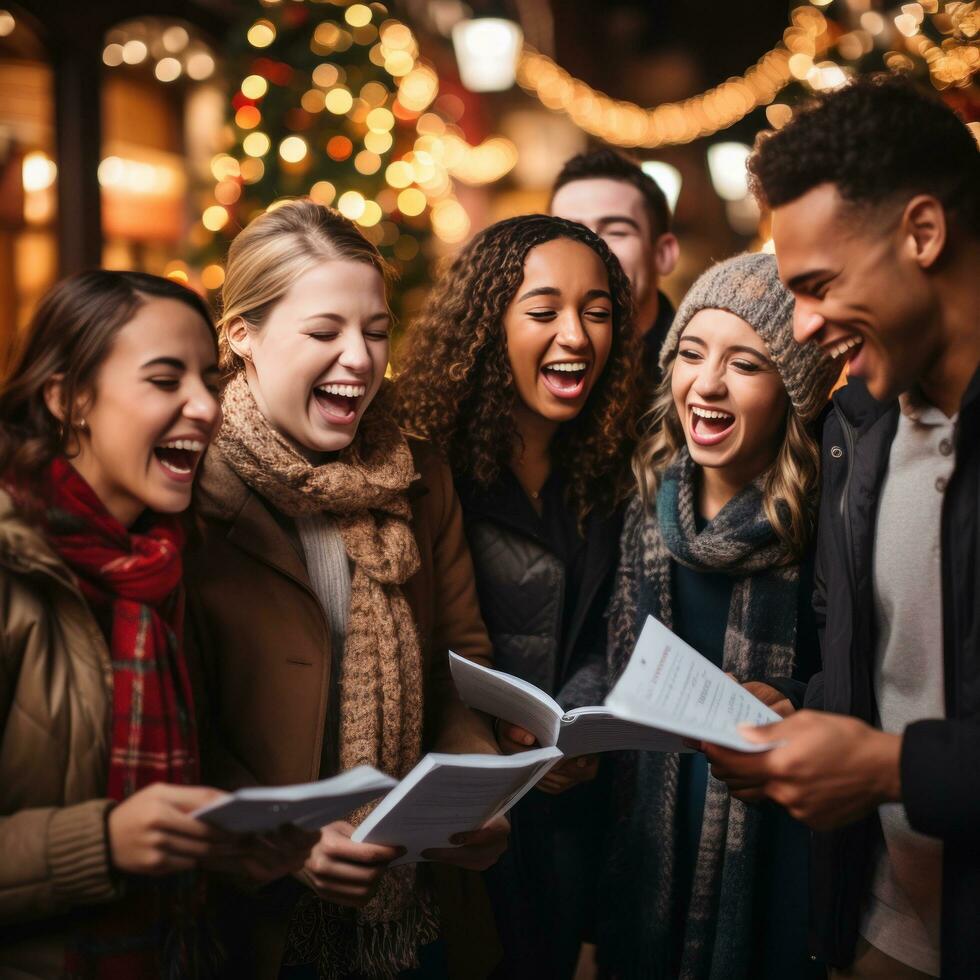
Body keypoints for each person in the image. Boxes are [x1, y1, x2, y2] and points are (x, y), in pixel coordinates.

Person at [183, 200, 508, 980]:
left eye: (375, 329)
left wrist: (477, 796)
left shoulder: (419, 471)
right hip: (247, 915)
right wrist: (289, 840)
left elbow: (454, 666)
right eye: (324, 332)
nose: (360, 359)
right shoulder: (189, 485)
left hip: (408, 902)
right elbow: (180, 722)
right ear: (243, 339)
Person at [704, 76, 980, 979]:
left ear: (923, 232)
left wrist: (892, 769)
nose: (805, 323)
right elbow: (894, 664)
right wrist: (804, 715)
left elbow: (901, 750)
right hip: (887, 925)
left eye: (819, 286)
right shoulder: (858, 433)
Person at [0, 271, 313, 979]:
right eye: (165, 380)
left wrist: (225, 844)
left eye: (208, 379)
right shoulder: (13, 564)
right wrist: (103, 841)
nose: (206, 406)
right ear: (68, 398)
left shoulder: (169, 561)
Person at [394, 214, 640, 979]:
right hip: (456, 815)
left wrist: (580, 722)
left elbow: (615, 625)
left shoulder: (615, 463)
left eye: (596, 312)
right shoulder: (422, 467)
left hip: (570, 818)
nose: (575, 335)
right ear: (486, 325)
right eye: (543, 312)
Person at [593, 251, 839, 979]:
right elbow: (614, 658)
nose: (707, 383)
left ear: (793, 392)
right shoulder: (646, 502)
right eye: (692, 353)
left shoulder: (821, 523)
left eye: (747, 364)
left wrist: (793, 703)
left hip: (769, 842)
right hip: (649, 832)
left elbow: (851, 682)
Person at [550, 147, 679, 389]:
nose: (592, 247)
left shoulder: (696, 373)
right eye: (569, 232)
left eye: (616, 231)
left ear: (663, 254)